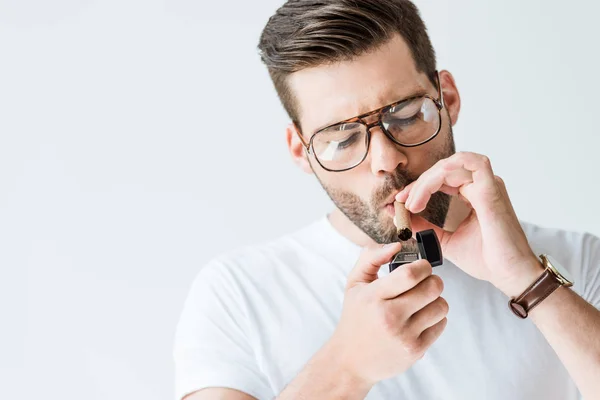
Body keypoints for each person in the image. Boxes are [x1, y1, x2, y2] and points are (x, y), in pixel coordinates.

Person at [173, 1, 600, 399]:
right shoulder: (237, 295)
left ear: (447, 99)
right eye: (341, 138)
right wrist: (348, 366)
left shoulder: (580, 261)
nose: (386, 159)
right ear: (302, 151)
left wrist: (528, 280)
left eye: (407, 115)